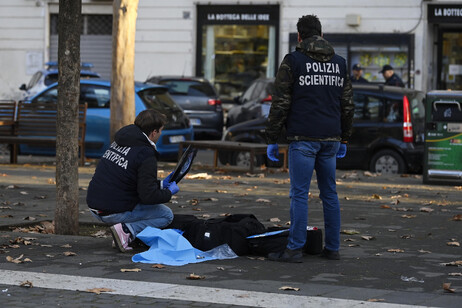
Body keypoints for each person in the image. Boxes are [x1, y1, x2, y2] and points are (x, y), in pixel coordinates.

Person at [265, 15, 354, 263]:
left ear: (299, 36)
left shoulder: (293, 61)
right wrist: (345, 138)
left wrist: (272, 137)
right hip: (331, 139)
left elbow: (280, 102)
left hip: (303, 138)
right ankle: (333, 249)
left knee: (300, 194)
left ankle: (294, 249)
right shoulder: (340, 64)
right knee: (330, 194)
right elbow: (347, 104)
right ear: (322, 35)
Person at [86, 109, 179, 253]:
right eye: (161, 131)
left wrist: (160, 184)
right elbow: (148, 197)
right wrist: (168, 193)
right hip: (112, 209)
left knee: (143, 205)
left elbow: (128, 178)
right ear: (153, 133)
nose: (160, 134)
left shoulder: (120, 141)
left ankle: (121, 234)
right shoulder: (146, 153)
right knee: (165, 215)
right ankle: (125, 230)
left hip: (95, 205)